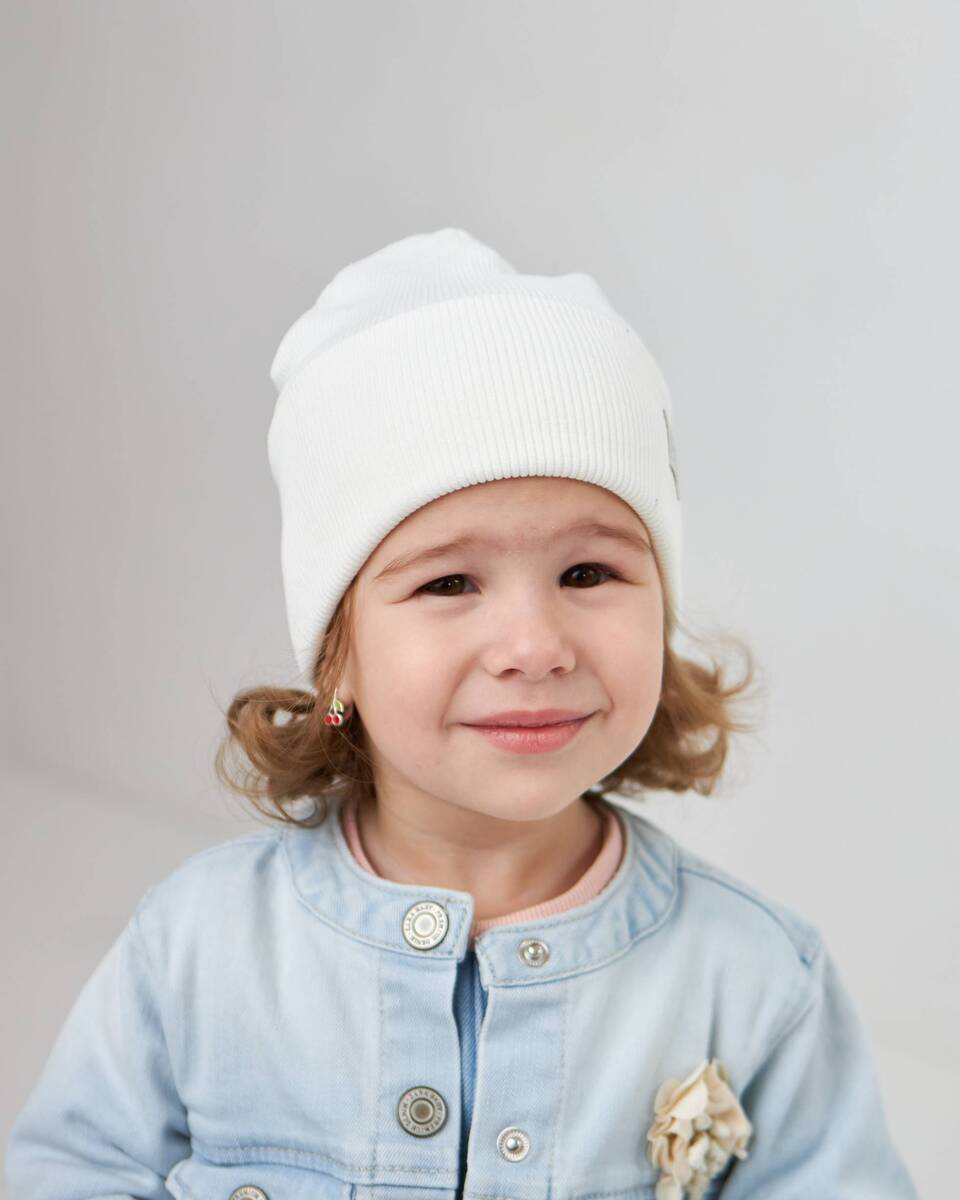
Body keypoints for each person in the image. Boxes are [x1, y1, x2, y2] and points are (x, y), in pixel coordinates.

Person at [4, 229, 918, 1200]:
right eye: (449, 583)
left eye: (588, 572)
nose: (535, 645)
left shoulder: (756, 978)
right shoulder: (200, 946)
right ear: (337, 655)